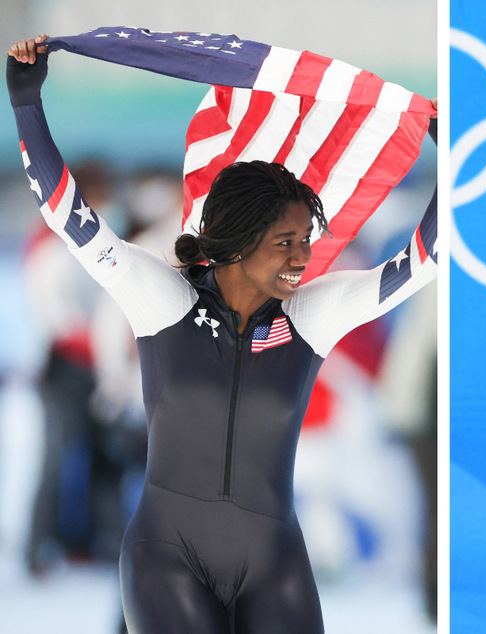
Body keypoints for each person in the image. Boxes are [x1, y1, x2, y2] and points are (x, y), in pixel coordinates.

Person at [8, 34, 437, 633]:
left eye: (306, 242)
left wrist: (450, 157)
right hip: (167, 559)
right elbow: (65, 212)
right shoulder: (162, 299)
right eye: (285, 242)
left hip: (275, 562)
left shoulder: (313, 315)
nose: (303, 257)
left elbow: (425, 261)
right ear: (237, 240)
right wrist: (27, 104)